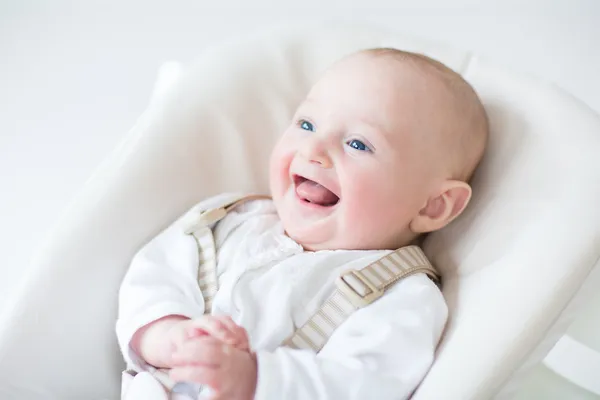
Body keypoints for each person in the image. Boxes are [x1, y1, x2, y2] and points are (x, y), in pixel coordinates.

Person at [116, 47, 489, 400]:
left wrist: (255, 378)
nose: (312, 150)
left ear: (434, 206)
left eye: (358, 144)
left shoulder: (402, 298)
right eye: (306, 124)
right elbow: (156, 273)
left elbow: (364, 385)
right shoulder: (232, 221)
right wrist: (169, 334)